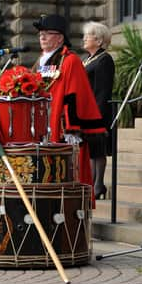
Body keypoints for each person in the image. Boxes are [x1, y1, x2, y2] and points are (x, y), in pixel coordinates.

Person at [32, 14, 106, 194]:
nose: (42, 37)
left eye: (47, 33)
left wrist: (71, 130)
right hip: (42, 127)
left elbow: (76, 95)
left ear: (59, 38)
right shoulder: (41, 61)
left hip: (62, 129)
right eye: (41, 33)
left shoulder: (70, 60)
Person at [82, 21, 115, 200]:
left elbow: (103, 90)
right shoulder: (86, 59)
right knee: (90, 150)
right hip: (85, 111)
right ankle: (92, 183)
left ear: (100, 40)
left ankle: (98, 184)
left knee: (98, 150)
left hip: (98, 111)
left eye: (89, 35)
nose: (85, 38)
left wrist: (98, 116)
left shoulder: (104, 59)